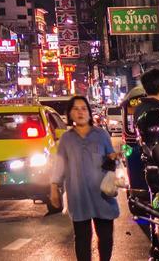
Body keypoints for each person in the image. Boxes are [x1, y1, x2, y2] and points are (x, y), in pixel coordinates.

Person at [51, 96, 119, 261]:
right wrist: (54, 187)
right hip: (78, 196)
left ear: (89, 112)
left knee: (106, 238)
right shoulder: (67, 139)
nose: (80, 112)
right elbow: (59, 164)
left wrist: (113, 157)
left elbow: (111, 158)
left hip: (102, 194)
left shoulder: (101, 135)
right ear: (70, 114)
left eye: (83, 108)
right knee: (82, 239)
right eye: (76, 109)